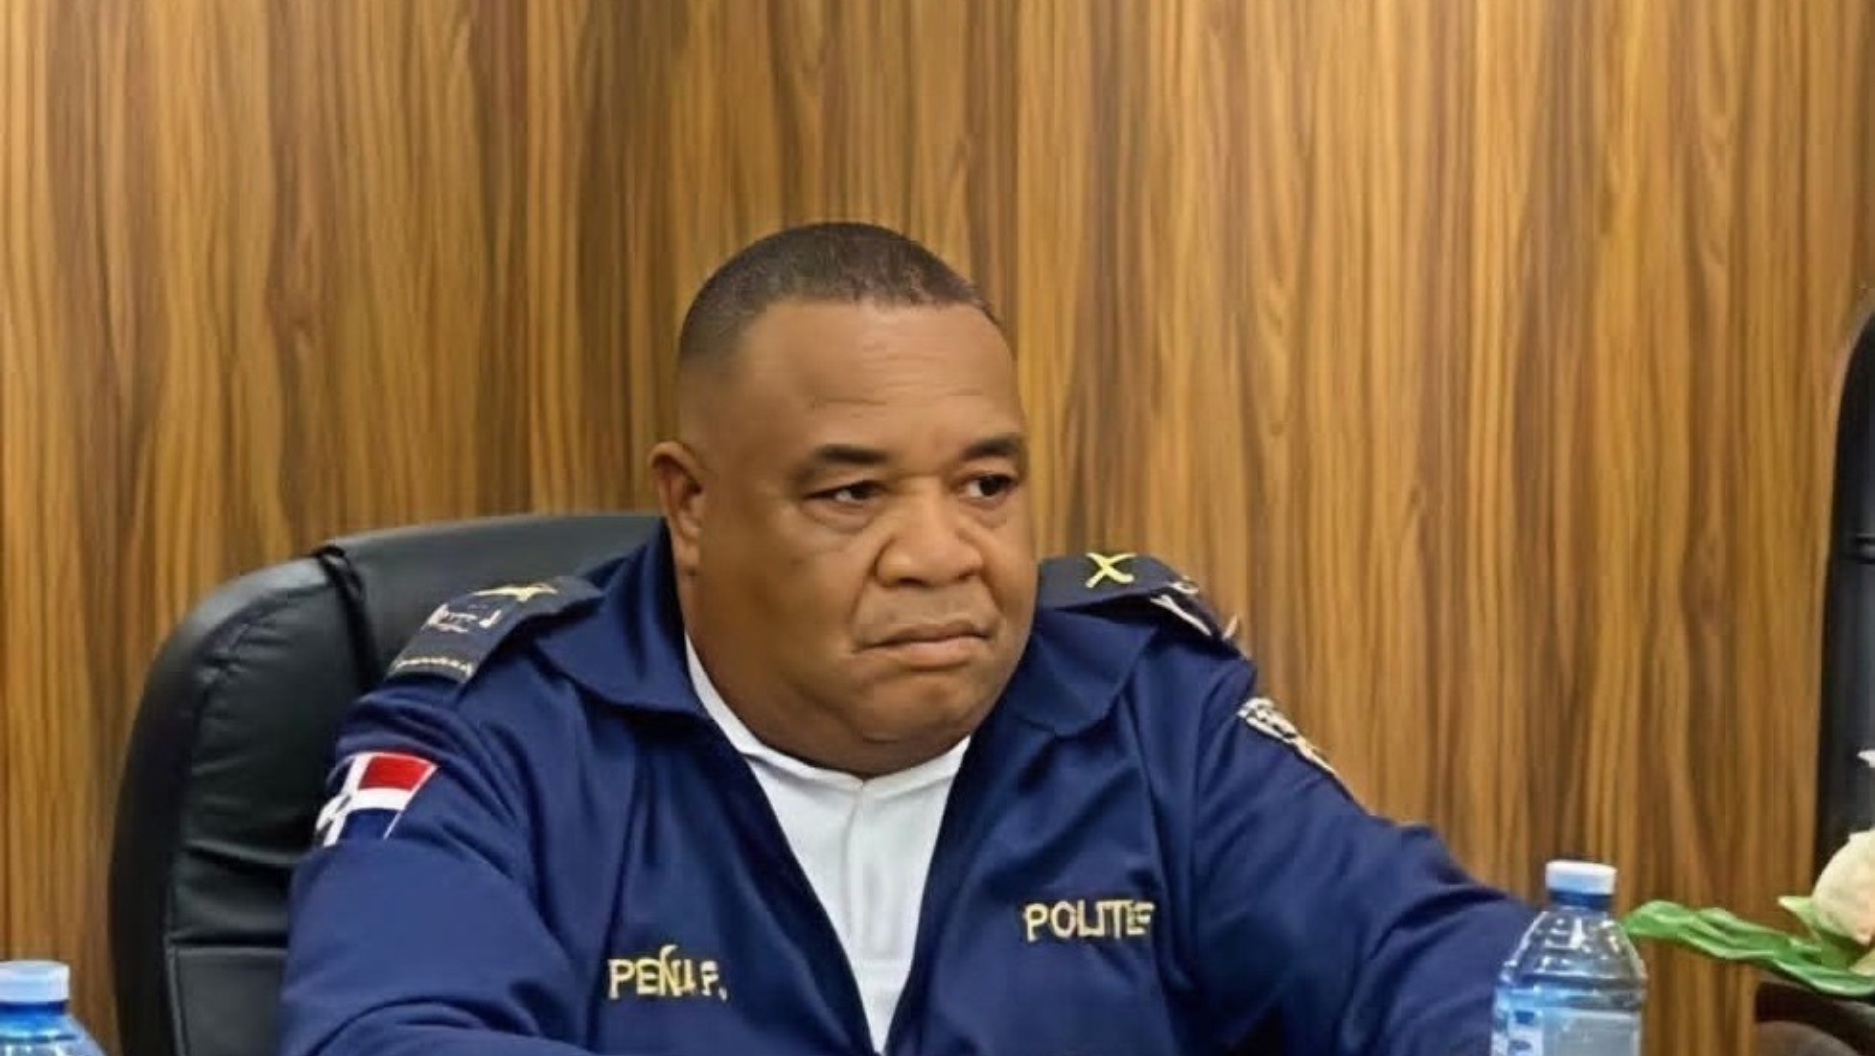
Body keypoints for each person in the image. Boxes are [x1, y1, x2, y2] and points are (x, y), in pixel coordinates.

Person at [279, 222, 1535, 1056]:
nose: (942, 554)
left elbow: (1432, 967)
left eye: (987, 486)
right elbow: (391, 1033)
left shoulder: (1153, 714)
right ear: (693, 505)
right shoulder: (499, 736)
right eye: (852, 493)